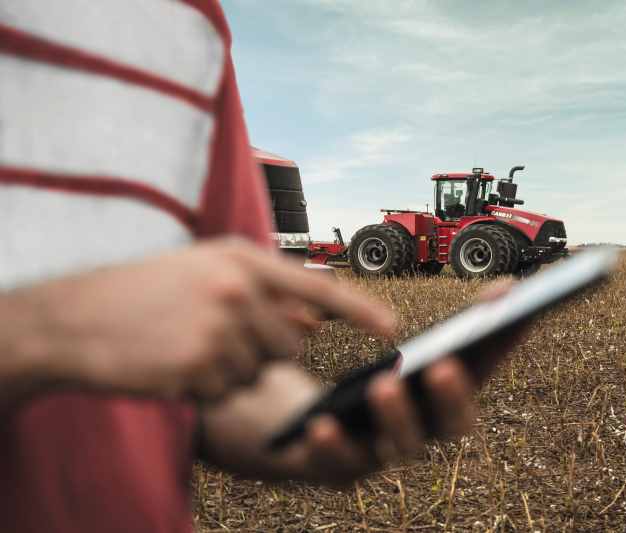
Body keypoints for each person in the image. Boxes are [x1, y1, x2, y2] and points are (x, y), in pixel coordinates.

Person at [0, 3, 524, 532]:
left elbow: (218, 377)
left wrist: (315, 429)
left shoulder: (190, 20)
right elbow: (119, 326)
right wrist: (47, 330)